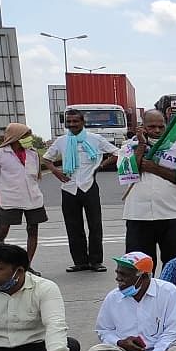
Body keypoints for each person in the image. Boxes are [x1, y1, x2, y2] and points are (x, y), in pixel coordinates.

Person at [42, 108, 119, 273]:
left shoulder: (95, 139)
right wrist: (56, 171)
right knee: (73, 226)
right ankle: (80, 262)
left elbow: (117, 153)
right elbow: (47, 159)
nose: (72, 124)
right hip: (68, 188)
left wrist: (101, 166)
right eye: (69, 122)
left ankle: (96, 261)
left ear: (83, 122)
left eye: (75, 121)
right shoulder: (61, 141)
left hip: (89, 186)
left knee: (95, 226)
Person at [120, 110, 176, 267]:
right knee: (139, 266)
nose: (157, 130)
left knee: (174, 264)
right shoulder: (128, 147)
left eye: (161, 126)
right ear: (142, 127)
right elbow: (128, 173)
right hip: (138, 215)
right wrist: (142, 145)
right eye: (151, 126)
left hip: (172, 214)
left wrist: (154, 168)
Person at [0, 123, 45, 273]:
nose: (28, 139)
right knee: (2, 230)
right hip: (10, 197)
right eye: (25, 135)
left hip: (33, 198)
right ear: (16, 137)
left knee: (33, 230)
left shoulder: (33, 153)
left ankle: (26, 265)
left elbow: (35, 176)